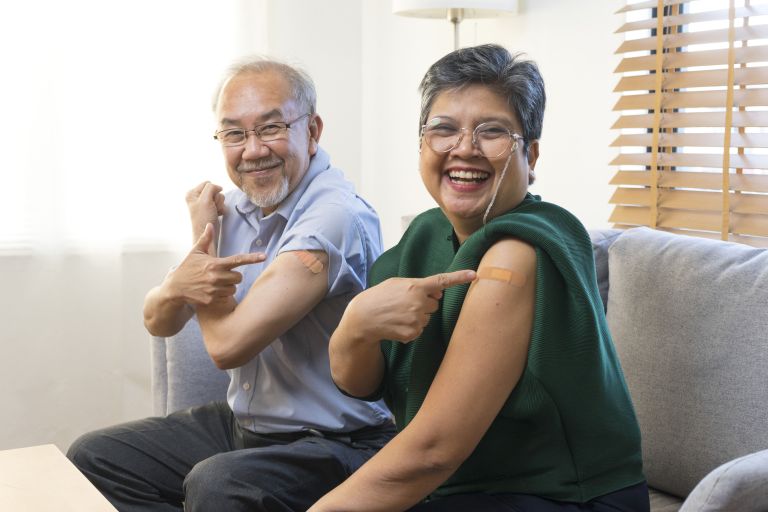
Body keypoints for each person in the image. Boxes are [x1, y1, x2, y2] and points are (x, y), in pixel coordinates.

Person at [310, 44, 649, 512]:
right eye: (443, 130)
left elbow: (433, 450)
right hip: (458, 486)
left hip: (561, 496)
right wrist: (356, 328)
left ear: (530, 155)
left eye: (491, 132)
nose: (464, 148)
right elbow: (361, 383)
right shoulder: (426, 235)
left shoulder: (520, 252)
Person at [67, 56, 395, 512]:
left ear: (313, 130)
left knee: (218, 483)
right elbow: (159, 319)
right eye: (235, 134)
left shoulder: (333, 218)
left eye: (271, 128)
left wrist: (203, 259)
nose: (253, 149)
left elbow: (228, 348)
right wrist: (191, 269)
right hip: (248, 427)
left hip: (339, 442)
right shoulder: (237, 208)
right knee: (95, 457)